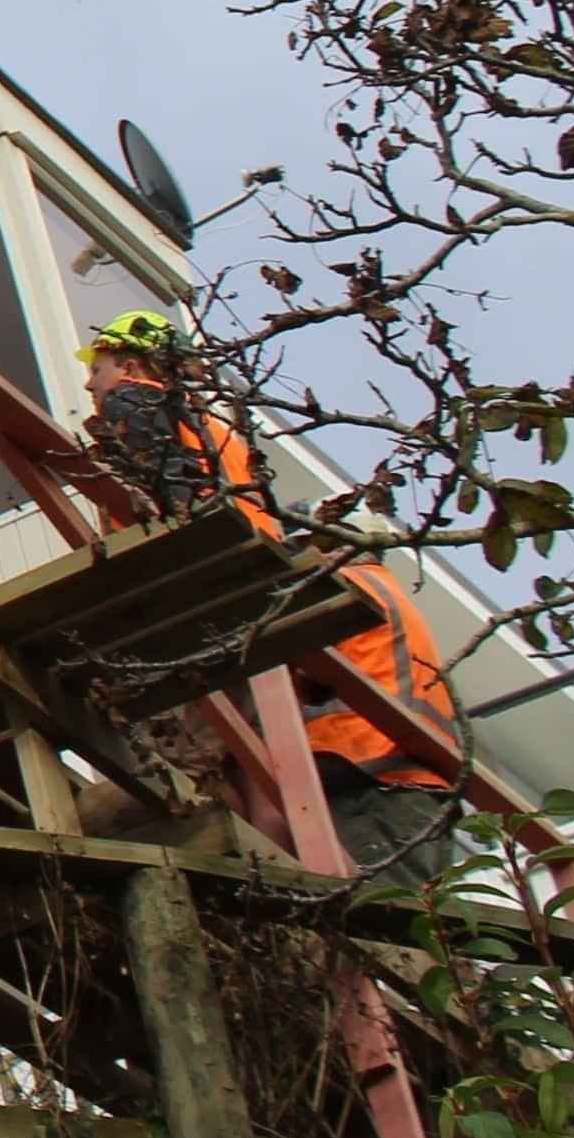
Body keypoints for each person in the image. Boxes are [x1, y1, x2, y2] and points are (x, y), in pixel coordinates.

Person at [76, 313, 463, 871]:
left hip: (212, 598)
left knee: (202, 762)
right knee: (250, 757)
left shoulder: (136, 404)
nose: (91, 384)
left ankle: (253, 861)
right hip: (254, 606)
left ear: (132, 365)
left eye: (99, 369)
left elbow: (176, 502)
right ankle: (269, 863)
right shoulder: (217, 429)